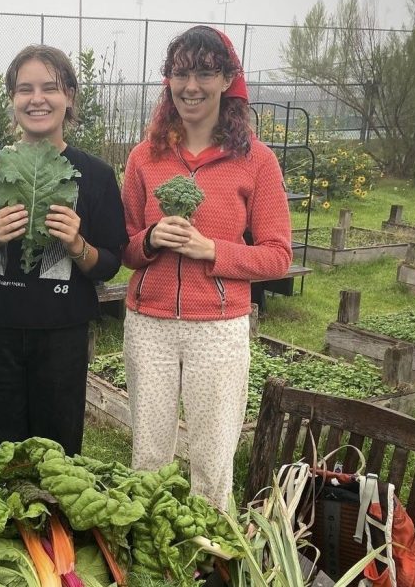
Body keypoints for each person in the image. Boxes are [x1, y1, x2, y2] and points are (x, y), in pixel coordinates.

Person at [121, 25, 292, 509]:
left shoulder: (256, 161)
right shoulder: (143, 158)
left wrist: (213, 251)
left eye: (204, 72)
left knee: (213, 461)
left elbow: (278, 255)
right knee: (149, 456)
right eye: (180, 73)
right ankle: (150, 555)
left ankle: (210, 561)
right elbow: (125, 248)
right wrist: (150, 240)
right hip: (148, 324)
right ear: (168, 81)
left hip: (218, 330)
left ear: (226, 81)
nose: (190, 85)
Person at [0, 45, 128, 461]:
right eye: (25, 89)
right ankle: (5, 527)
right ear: (12, 99)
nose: (37, 99)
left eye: (50, 87)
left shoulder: (96, 174)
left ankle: (52, 528)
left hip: (62, 336)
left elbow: (110, 262)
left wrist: (78, 246)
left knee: (58, 454)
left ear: (69, 97)